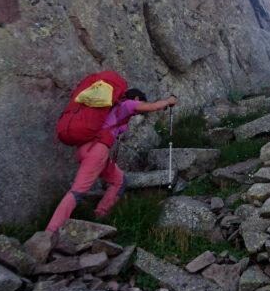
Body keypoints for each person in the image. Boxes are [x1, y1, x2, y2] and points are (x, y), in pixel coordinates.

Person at [45, 88, 177, 232]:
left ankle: (100, 217)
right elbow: (153, 107)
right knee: (77, 192)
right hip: (97, 151)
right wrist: (169, 101)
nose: (139, 112)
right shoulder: (128, 104)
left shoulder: (112, 107)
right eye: (140, 105)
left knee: (119, 180)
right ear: (137, 99)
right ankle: (51, 231)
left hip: (86, 149)